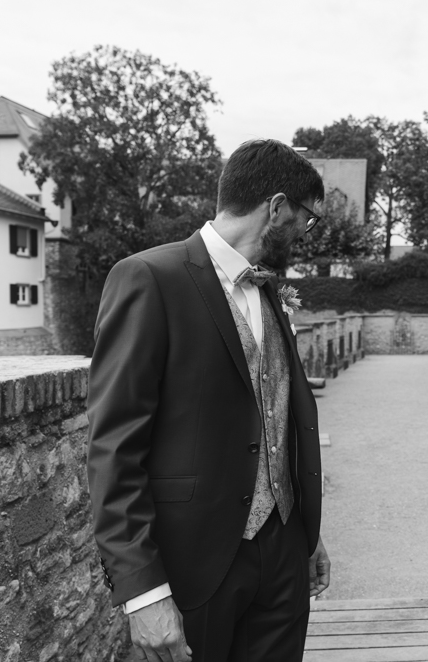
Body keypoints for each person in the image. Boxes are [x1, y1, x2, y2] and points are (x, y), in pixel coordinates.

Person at [87, 139, 331, 662]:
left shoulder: (267, 290)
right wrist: (142, 592)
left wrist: (305, 535)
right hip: (193, 563)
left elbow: (279, 418)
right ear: (278, 206)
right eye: (308, 220)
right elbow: (114, 445)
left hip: (284, 555)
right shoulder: (150, 277)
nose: (306, 235)